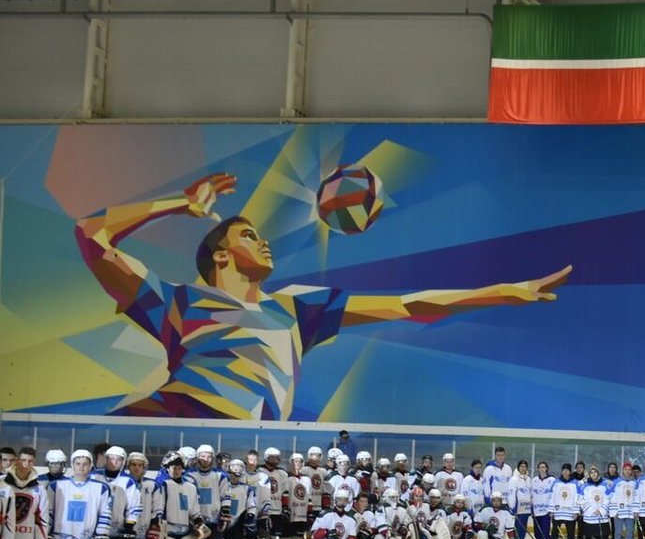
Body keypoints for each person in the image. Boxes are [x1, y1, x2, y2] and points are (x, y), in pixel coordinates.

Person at [75, 174, 568, 420]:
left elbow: (409, 306)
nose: (263, 242)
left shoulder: (297, 307)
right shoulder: (176, 302)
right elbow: (91, 234)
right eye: (249, 235)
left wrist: (502, 293)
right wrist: (178, 204)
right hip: (173, 420)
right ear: (220, 256)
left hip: (247, 443)